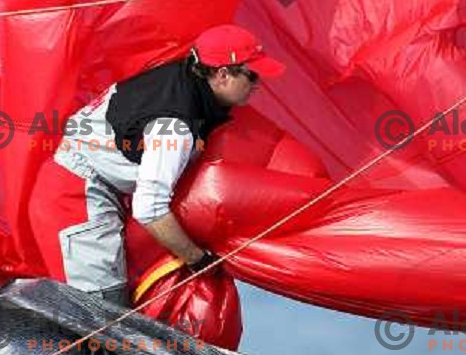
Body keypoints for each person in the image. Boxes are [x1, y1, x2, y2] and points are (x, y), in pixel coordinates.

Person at [30, 24, 286, 305]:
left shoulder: (184, 72)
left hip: (86, 178)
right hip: (76, 196)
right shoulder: (174, 127)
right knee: (101, 317)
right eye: (252, 76)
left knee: (109, 319)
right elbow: (149, 209)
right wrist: (197, 259)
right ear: (223, 74)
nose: (257, 85)